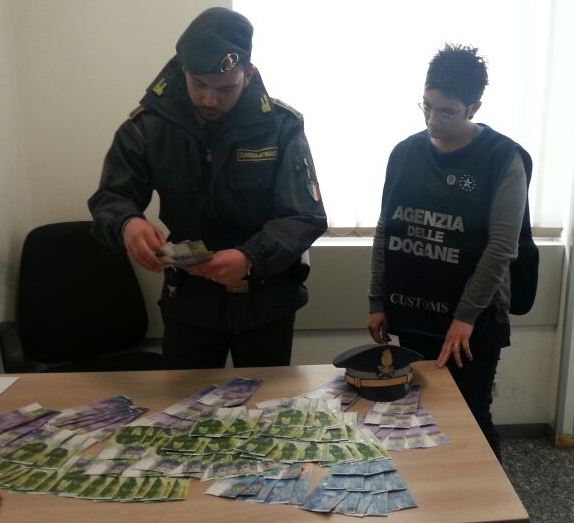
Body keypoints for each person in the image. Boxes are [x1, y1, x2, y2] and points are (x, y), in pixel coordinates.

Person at [88, 7, 327, 369]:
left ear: (248, 74)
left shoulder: (281, 127)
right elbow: (111, 198)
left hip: (266, 299)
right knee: (183, 401)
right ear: (183, 69)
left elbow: (305, 216)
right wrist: (127, 224)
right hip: (190, 299)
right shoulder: (149, 127)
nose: (209, 100)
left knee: (268, 401)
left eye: (225, 88)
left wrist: (250, 257)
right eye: (198, 84)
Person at [367, 44, 530, 460]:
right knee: (415, 413)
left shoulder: (502, 158)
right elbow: (387, 230)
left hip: (472, 321)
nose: (431, 120)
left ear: (473, 108)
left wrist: (465, 317)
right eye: (426, 106)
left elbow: (501, 247)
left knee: (471, 416)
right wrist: (377, 300)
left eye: (446, 112)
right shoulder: (405, 153)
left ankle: (491, 496)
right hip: (413, 311)